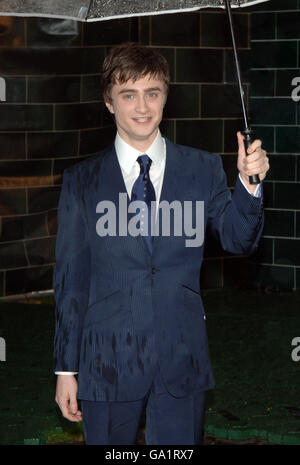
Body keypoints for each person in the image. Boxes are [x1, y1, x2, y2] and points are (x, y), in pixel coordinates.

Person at [53, 43, 269, 445]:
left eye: (152, 92)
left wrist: (249, 184)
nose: (142, 106)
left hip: (181, 358)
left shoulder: (201, 167)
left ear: (166, 97)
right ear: (108, 102)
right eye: (128, 94)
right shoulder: (81, 181)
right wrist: (65, 369)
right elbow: (71, 279)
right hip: (107, 361)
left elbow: (240, 240)